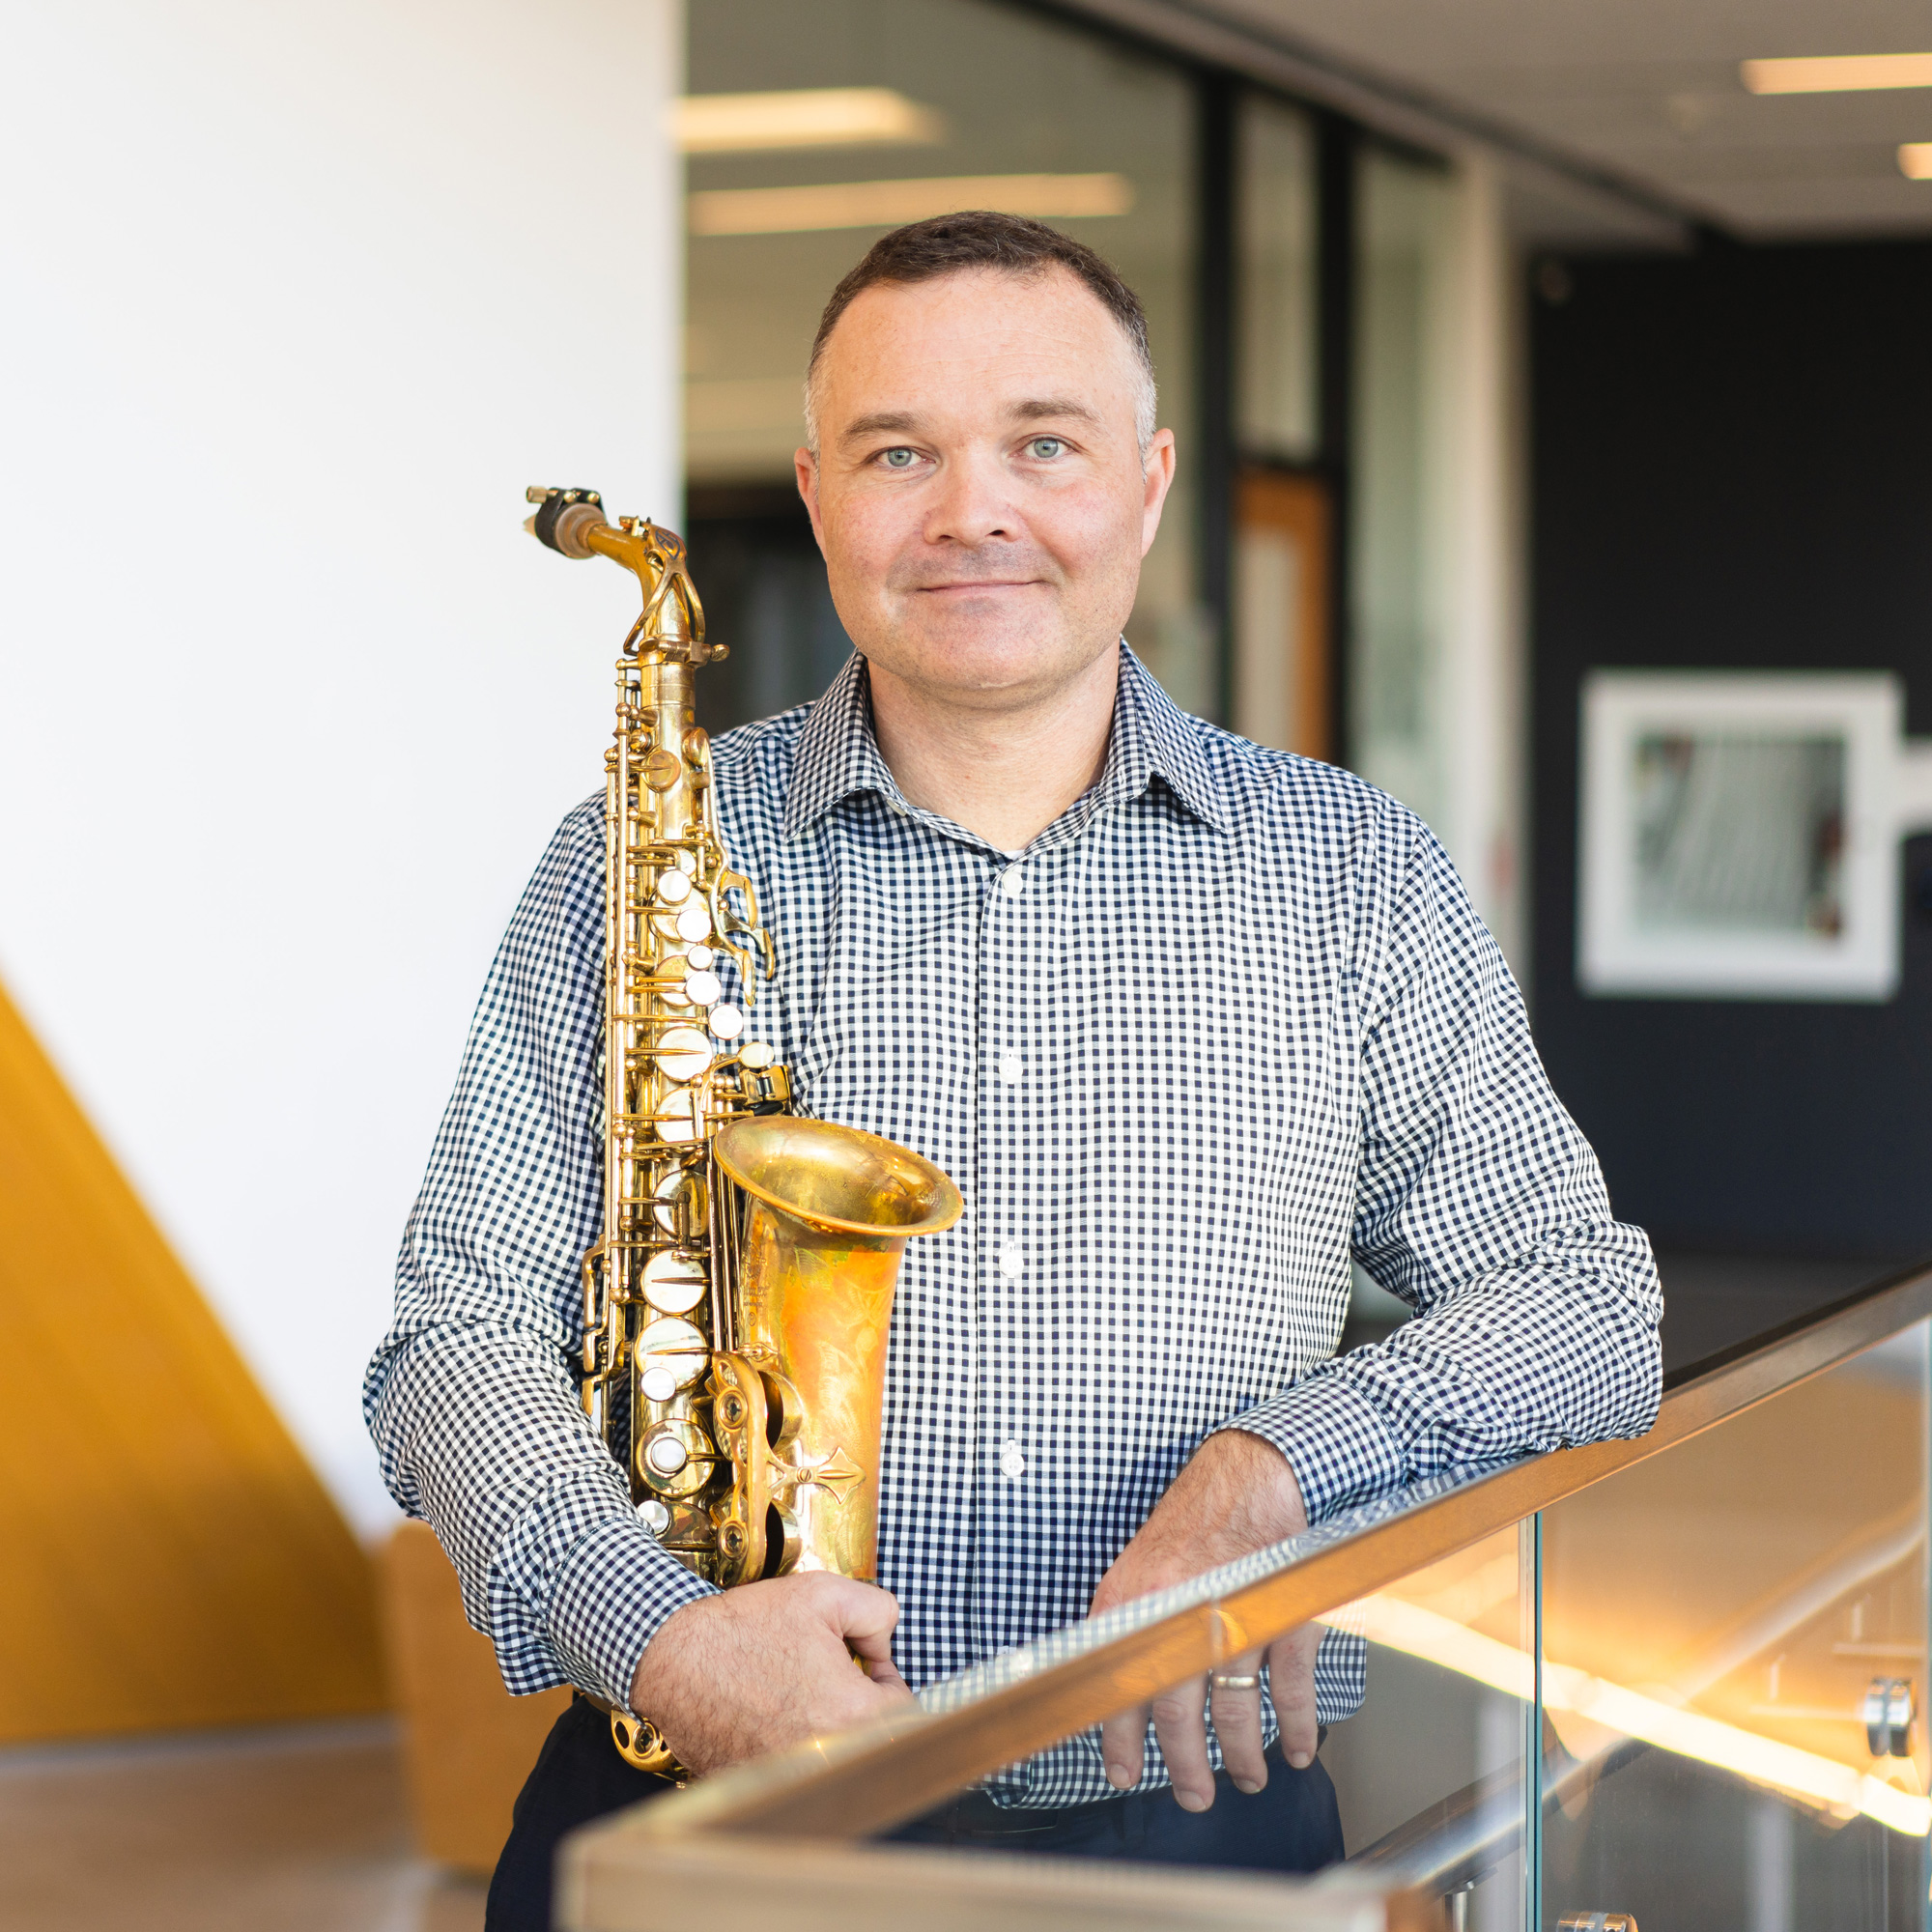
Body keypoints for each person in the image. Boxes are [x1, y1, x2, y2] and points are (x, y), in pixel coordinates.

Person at [365, 211, 1662, 1928]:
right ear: (821, 495)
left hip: (1185, 1833)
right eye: (900, 452)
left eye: (1041, 444)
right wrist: (657, 1633)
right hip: (703, 1818)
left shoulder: (1352, 875)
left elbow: (1583, 1305)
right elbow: (451, 1341)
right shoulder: (630, 856)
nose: (971, 509)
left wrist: (1272, 1478)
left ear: (1148, 480)